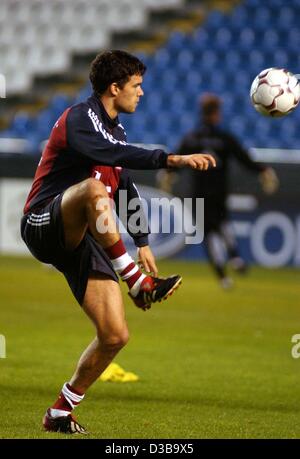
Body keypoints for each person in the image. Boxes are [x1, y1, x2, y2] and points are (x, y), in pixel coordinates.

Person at [20, 50, 216, 434]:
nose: (141, 93)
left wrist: (142, 240)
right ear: (115, 87)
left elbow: (123, 187)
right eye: (137, 85)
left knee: (115, 335)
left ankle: (61, 410)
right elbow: (104, 156)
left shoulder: (117, 131)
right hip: (43, 222)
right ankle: (137, 283)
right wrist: (171, 160)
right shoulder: (79, 118)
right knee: (94, 188)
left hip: (78, 241)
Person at [174, 93, 279, 288]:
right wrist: (263, 170)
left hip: (199, 194)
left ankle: (222, 276)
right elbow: (244, 158)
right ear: (216, 114)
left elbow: (176, 160)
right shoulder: (224, 138)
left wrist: (168, 174)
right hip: (219, 191)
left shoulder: (193, 138)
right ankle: (235, 256)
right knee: (223, 223)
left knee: (209, 233)